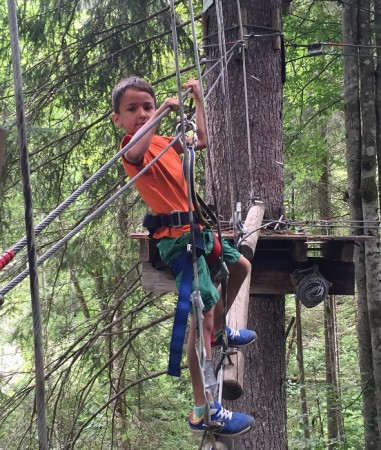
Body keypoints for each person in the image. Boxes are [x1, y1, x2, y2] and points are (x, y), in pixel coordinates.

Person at [112, 76, 256, 438]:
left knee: (240, 266)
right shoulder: (132, 148)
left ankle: (221, 332)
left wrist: (199, 100)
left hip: (197, 232)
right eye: (133, 109)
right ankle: (203, 410)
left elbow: (201, 141)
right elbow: (134, 152)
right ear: (118, 119)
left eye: (146, 106)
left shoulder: (161, 142)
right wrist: (160, 112)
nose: (141, 113)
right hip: (177, 243)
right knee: (201, 317)